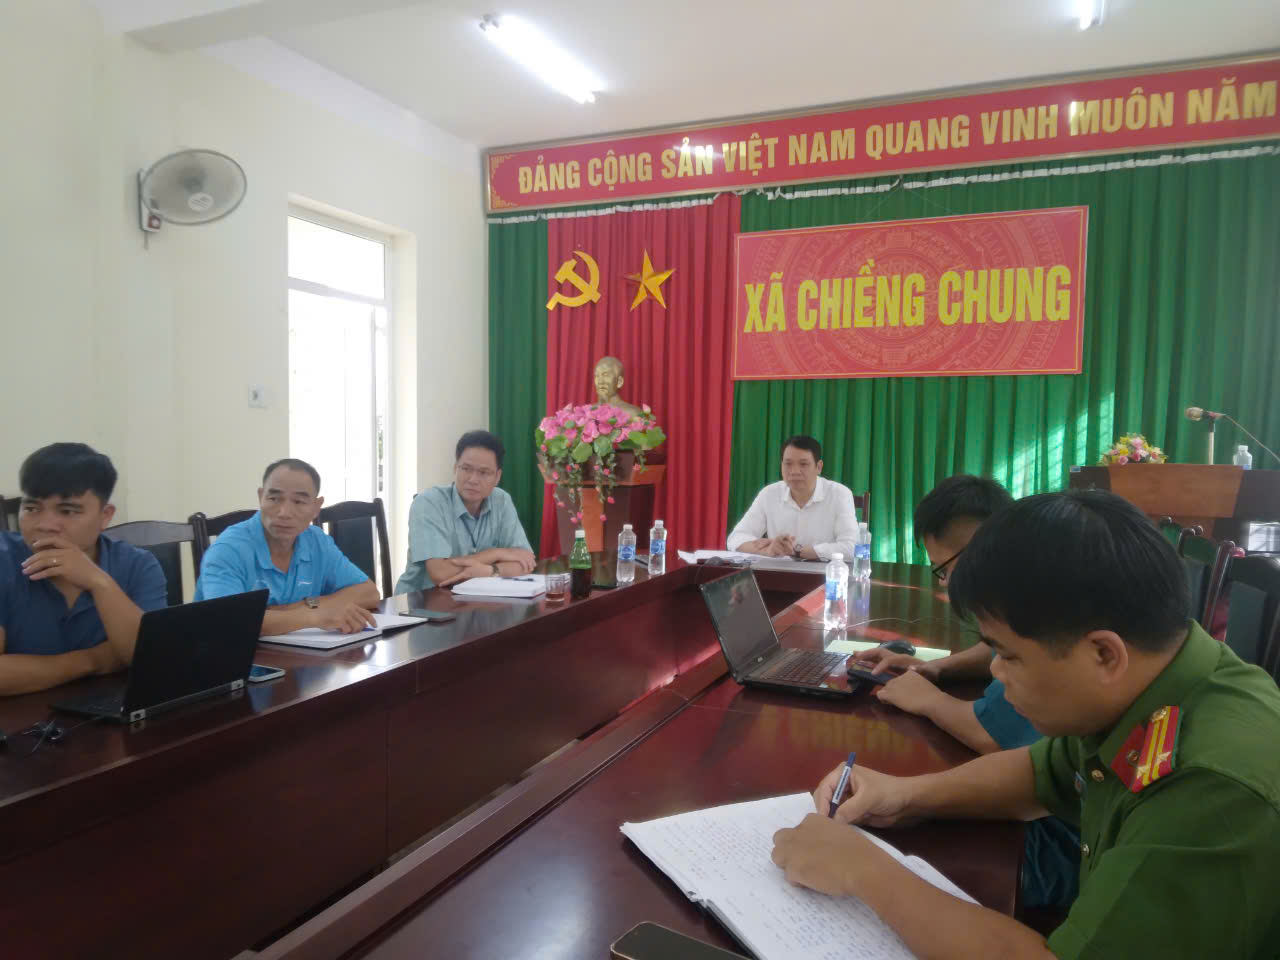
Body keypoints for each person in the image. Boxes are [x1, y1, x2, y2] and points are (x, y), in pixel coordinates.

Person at [772, 490, 1280, 959]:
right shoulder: (1152, 679)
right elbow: (1041, 772)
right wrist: (903, 796)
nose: (995, 672)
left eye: (1010, 656)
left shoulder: (1211, 790)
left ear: (1104, 655)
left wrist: (864, 871)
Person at [855, 475, 1079, 908]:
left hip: (1057, 849)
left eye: (944, 570)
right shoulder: (1039, 589)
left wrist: (928, 700)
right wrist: (934, 669)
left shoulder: (1037, 605)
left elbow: (993, 736)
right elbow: (995, 652)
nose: (944, 584)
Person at [0, 443, 166, 695]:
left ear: (105, 516)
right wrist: (94, 660)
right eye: (32, 508)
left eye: (67, 511)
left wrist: (99, 582)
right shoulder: (4, 560)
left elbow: (151, 660)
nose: (45, 525)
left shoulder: (138, 565)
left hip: (107, 712)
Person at [194, 458, 380, 635]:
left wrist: (306, 605)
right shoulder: (228, 549)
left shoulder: (316, 541)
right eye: (274, 499)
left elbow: (369, 592)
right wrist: (312, 616)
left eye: (298, 502)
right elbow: (229, 619)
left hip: (298, 653)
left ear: (316, 507)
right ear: (261, 497)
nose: (284, 513)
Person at [395, 431, 535, 593]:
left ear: (497, 477)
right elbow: (440, 574)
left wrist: (489, 571)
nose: (473, 479)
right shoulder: (429, 503)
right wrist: (497, 553)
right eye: (466, 469)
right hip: (421, 601)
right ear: (455, 468)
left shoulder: (501, 501)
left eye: (484, 472)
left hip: (476, 599)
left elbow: (525, 562)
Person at [727, 435, 858, 560]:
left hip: (826, 572)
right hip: (779, 572)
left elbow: (853, 547)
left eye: (803, 464)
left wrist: (801, 552)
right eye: (788, 464)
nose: (794, 471)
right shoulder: (769, 494)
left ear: (818, 467)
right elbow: (735, 538)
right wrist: (768, 550)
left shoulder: (839, 494)